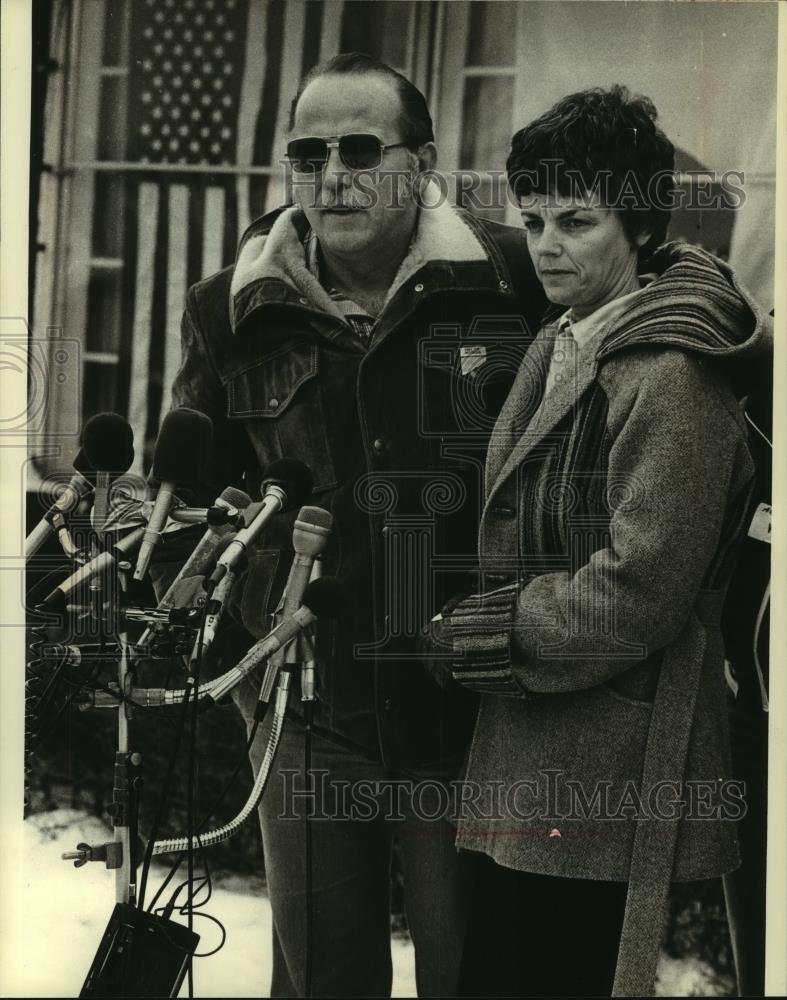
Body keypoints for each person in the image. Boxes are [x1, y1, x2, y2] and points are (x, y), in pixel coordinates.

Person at [162, 52, 546, 997]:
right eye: (308, 151)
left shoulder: (511, 276)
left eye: (361, 148)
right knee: (321, 978)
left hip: (472, 706)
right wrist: (260, 625)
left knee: (479, 974)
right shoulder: (227, 311)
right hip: (310, 710)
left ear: (420, 165)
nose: (332, 174)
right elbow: (193, 510)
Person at [422, 86, 771, 997]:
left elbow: (639, 590)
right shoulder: (565, 336)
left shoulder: (671, 370)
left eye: (575, 220)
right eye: (532, 218)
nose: (544, 245)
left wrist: (482, 633)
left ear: (639, 223)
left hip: (609, 766)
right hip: (532, 748)